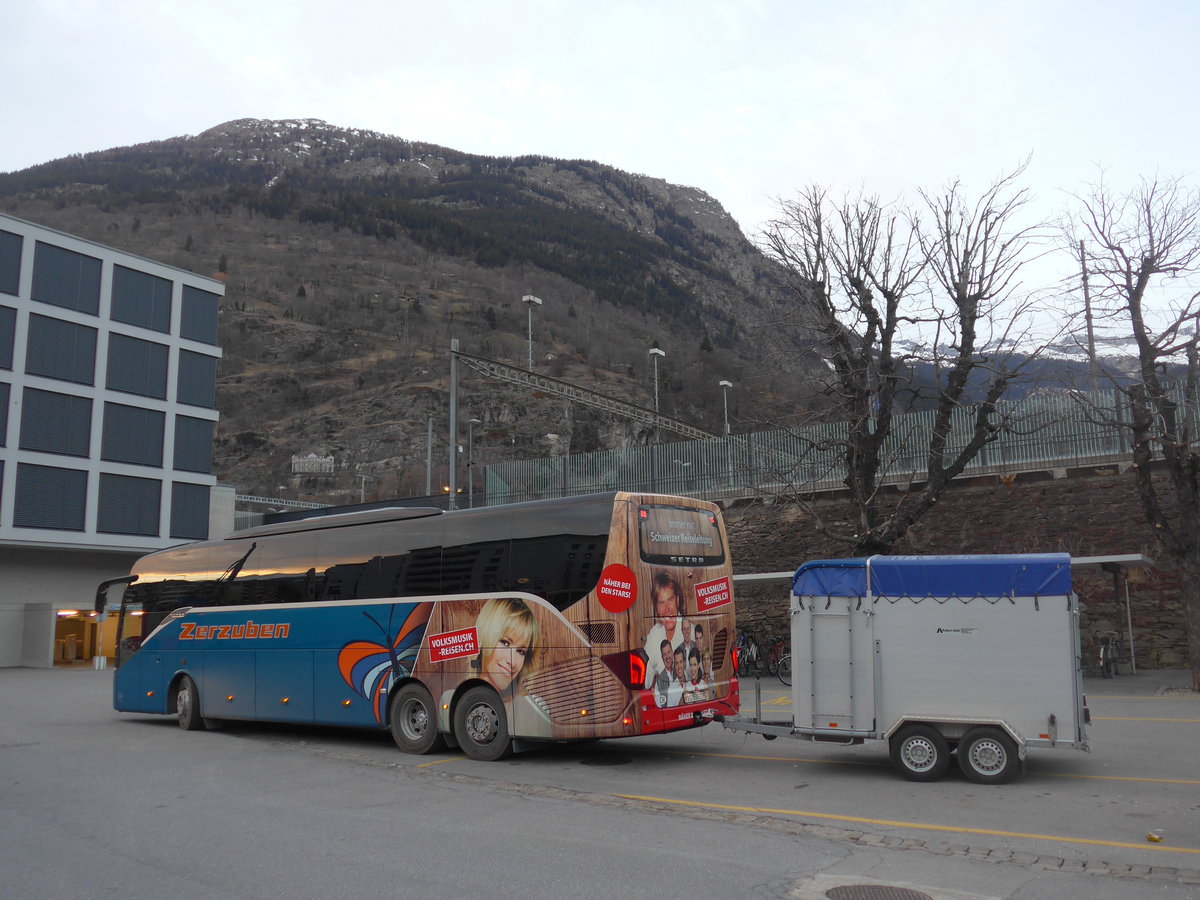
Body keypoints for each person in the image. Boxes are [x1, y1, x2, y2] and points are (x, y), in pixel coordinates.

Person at [469, 597, 553, 737]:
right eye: (505, 643)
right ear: (486, 635)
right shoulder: (448, 698)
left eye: (521, 651)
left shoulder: (532, 707)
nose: (512, 662)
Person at [641, 571, 692, 685]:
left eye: (670, 600)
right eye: (661, 603)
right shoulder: (655, 635)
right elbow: (645, 680)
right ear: (657, 608)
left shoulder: (690, 632)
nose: (667, 609)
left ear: (677, 600)